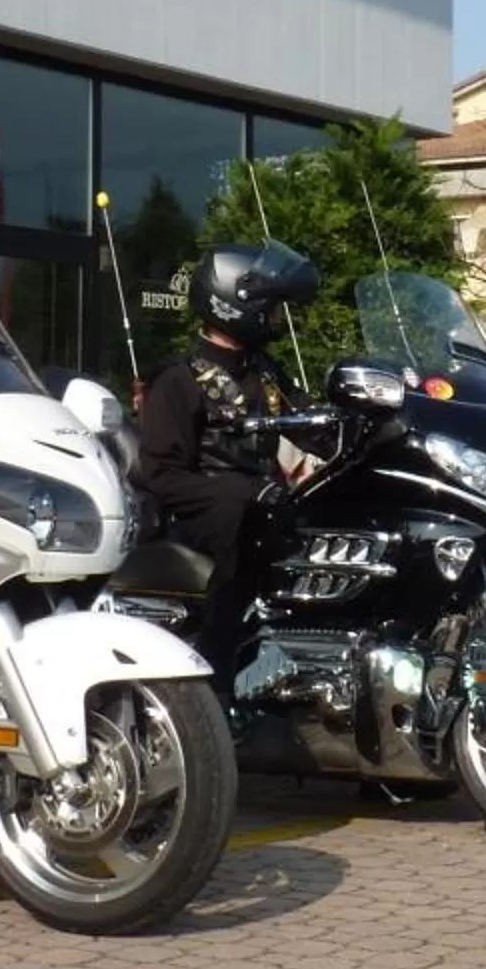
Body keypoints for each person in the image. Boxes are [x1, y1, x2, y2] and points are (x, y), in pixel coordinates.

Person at [134, 243, 318, 686]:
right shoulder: (178, 380)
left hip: (261, 507)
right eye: (272, 307)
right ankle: (217, 684)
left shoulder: (264, 372)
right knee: (247, 534)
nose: (277, 317)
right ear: (237, 305)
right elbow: (162, 474)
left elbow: (312, 423)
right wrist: (243, 494)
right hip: (210, 520)